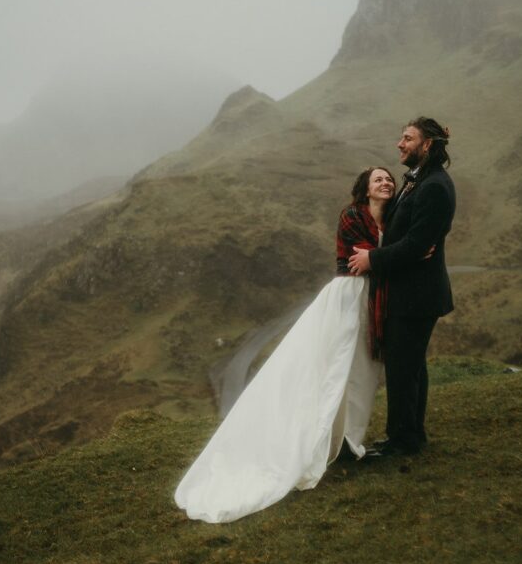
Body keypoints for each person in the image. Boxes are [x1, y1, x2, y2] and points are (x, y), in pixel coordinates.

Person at [175, 167, 395, 523]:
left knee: (363, 372)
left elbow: (382, 258)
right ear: (365, 189)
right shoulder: (353, 216)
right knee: (334, 368)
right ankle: (317, 440)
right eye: (378, 180)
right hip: (347, 298)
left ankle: (349, 439)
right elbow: (362, 259)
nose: (386, 183)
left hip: (372, 300)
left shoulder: (392, 219)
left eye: (389, 179)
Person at [349, 116, 456, 457]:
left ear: (426, 145)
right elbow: (407, 238)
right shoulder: (418, 180)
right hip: (408, 292)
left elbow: (415, 245)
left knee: (402, 368)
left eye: (407, 138)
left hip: (417, 295)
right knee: (410, 366)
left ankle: (402, 440)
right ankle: (411, 434)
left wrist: (372, 260)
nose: (399, 143)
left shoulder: (436, 186)